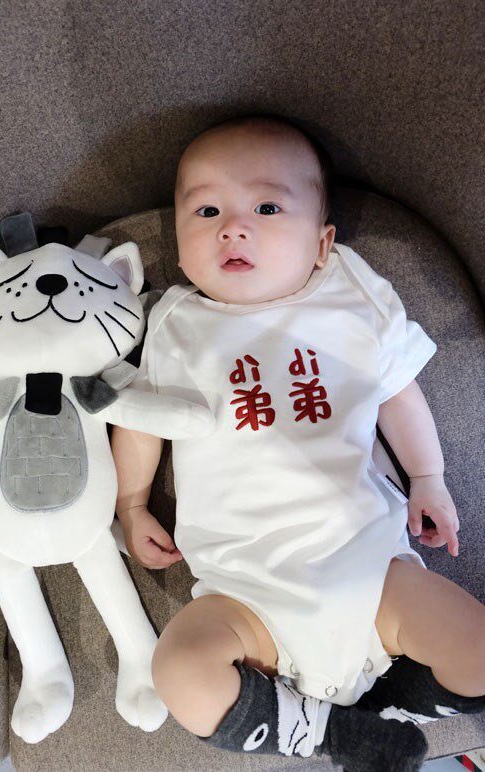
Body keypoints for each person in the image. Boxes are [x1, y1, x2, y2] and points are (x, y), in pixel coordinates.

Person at [110, 114, 485, 771]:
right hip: (244, 591)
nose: (233, 227)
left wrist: (428, 477)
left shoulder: (350, 300)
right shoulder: (178, 327)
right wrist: (132, 504)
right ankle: (327, 735)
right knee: (179, 672)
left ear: (321, 242)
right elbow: (143, 421)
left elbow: (397, 392)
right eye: (206, 210)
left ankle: (385, 708)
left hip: (368, 568)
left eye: (266, 207)